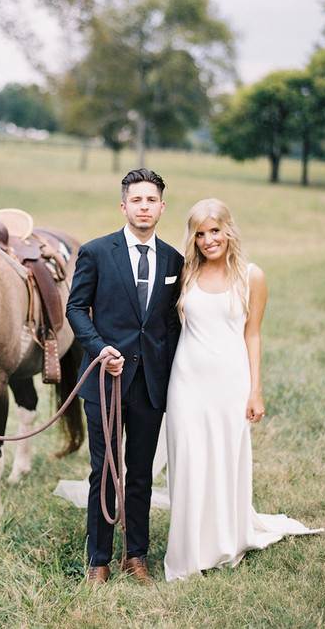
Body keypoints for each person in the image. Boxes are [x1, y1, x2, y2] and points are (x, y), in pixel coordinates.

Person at [164, 198, 323, 581]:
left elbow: (253, 335)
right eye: (199, 233)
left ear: (228, 229)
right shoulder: (185, 272)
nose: (208, 240)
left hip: (230, 383)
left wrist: (256, 390)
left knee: (223, 460)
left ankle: (221, 540)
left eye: (214, 230)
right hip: (185, 382)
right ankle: (186, 550)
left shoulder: (252, 276)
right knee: (187, 461)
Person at [66, 168, 184, 585]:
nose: (144, 207)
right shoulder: (97, 252)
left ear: (161, 207)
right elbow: (76, 309)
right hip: (106, 382)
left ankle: (136, 555)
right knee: (104, 470)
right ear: (124, 206)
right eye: (137, 200)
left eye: (151, 200)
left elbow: (171, 324)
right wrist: (100, 350)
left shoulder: (174, 260)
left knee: (139, 472)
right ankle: (98, 558)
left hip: (151, 385)